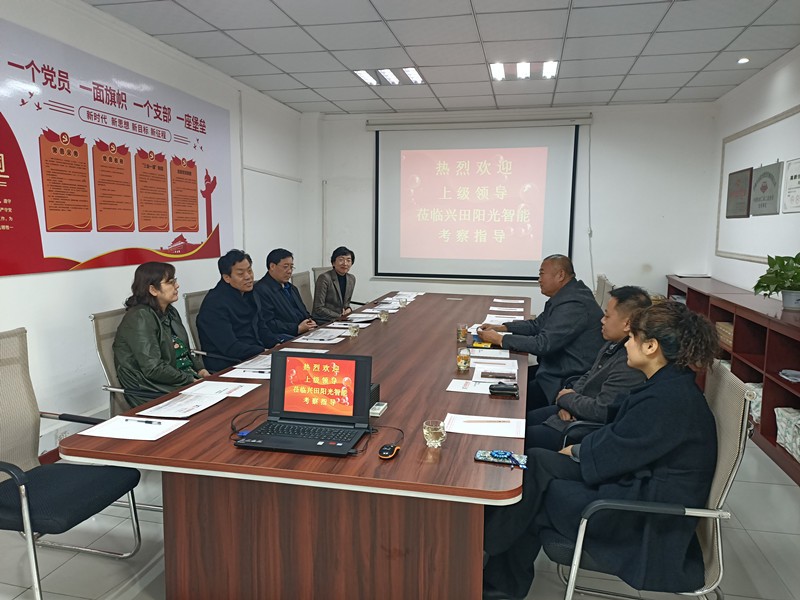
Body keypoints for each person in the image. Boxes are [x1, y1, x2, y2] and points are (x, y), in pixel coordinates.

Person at [482, 301, 719, 600]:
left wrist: (578, 451)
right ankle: (488, 561)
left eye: (632, 338)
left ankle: (490, 573)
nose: (626, 344)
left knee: (536, 493)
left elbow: (617, 452)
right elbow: (619, 436)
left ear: (651, 347)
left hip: (644, 514)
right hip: (635, 483)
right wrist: (580, 450)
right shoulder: (667, 385)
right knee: (538, 461)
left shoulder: (668, 401)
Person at [525, 285, 652, 450]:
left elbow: (601, 410)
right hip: (573, 410)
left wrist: (567, 400)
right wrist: (569, 400)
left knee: (520, 438)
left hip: (581, 429)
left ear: (627, 324)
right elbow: (588, 375)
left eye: (607, 316)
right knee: (523, 420)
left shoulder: (629, 363)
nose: (602, 320)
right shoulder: (612, 344)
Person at [477, 255, 604, 411]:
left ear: (560, 275)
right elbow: (537, 325)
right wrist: (502, 328)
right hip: (553, 367)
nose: (539, 280)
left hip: (564, 379)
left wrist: (500, 340)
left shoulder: (574, 304)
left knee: (505, 403)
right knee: (502, 381)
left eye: (542, 274)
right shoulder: (568, 294)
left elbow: (543, 344)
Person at [113, 262, 209, 407]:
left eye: (175, 281)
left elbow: (183, 350)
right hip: (153, 389)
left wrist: (200, 369)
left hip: (180, 380)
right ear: (153, 289)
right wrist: (190, 380)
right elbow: (153, 368)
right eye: (170, 282)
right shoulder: (140, 317)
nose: (177, 286)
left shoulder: (170, 311)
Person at [197, 249, 278, 372]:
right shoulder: (214, 304)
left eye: (249, 271)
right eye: (240, 274)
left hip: (256, 357)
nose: (248, 277)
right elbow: (230, 347)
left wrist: (276, 345)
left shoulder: (250, 294)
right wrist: (263, 352)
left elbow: (261, 327)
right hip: (229, 363)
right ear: (227, 277)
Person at [255, 248, 317, 341]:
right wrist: (297, 328)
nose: (289, 271)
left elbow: (304, 312)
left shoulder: (291, 288)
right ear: (272, 266)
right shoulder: (261, 290)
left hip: (304, 332)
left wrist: (310, 321)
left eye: (291, 267)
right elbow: (268, 323)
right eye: (285, 267)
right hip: (284, 337)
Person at [312, 246, 356, 325]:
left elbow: (345, 303)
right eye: (341, 260)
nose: (345, 263)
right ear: (333, 263)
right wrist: (339, 316)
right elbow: (318, 308)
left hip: (341, 319)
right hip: (324, 320)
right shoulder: (324, 278)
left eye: (348, 260)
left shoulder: (351, 279)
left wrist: (348, 309)